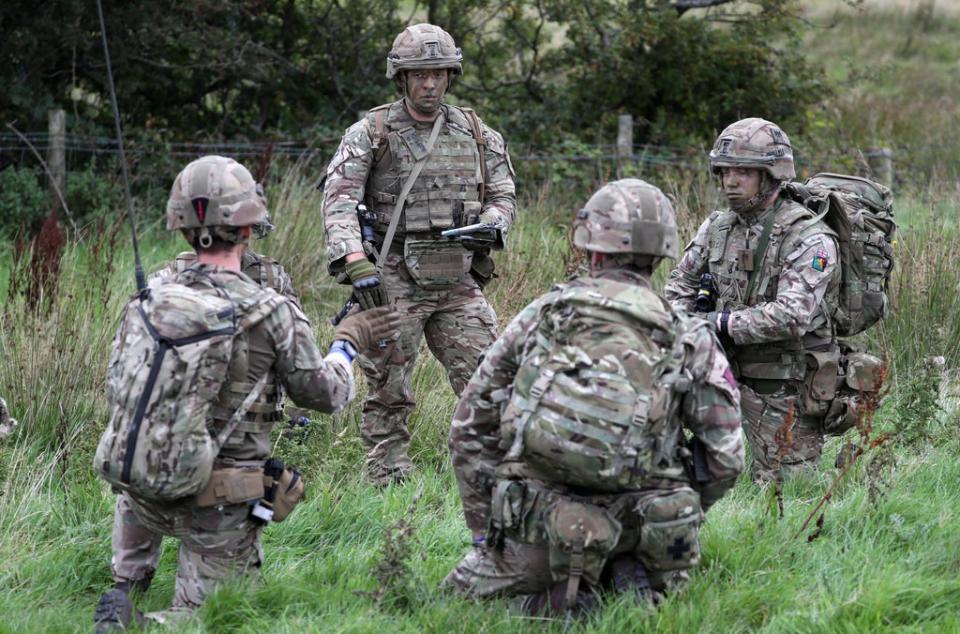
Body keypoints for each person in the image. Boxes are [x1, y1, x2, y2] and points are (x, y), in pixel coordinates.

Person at [94, 155, 399, 630]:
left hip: (140, 481)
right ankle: (137, 623)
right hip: (218, 499)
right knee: (213, 617)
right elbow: (325, 396)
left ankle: (125, 584)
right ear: (250, 229)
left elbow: (119, 386)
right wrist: (347, 344)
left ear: (181, 230)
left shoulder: (149, 296)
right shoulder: (270, 310)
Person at [444, 179, 744, 616]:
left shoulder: (544, 315)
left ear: (591, 245)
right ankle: (626, 573)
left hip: (536, 523)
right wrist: (685, 503)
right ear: (661, 253)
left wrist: (487, 533)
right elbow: (726, 458)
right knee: (653, 611)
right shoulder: (690, 336)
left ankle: (550, 588)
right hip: (650, 529)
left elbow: (470, 426)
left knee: (451, 609)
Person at [321, 23, 517, 486]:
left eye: (438, 74)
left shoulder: (475, 132)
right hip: (391, 276)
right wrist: (354, 260)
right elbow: (340, 200)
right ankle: (387, 475)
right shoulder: (371, 131)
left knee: (488, 379)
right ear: (402, 77)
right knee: (388, 385)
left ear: (451, 76)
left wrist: (492, 224)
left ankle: (489, 473)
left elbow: (504, 194)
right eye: (419, 74)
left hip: (457, 278)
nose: (429, 84)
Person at [664, 118, 841, 482]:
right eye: (726, 171)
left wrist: (718, 323)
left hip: (784, 384)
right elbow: (678, 287)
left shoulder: (809, 237)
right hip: (718, 373)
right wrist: (683, 327)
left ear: (772, 175)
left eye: (744, 171)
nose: (731, 180)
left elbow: (793, 316)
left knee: (786, 492)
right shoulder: (716, 227)